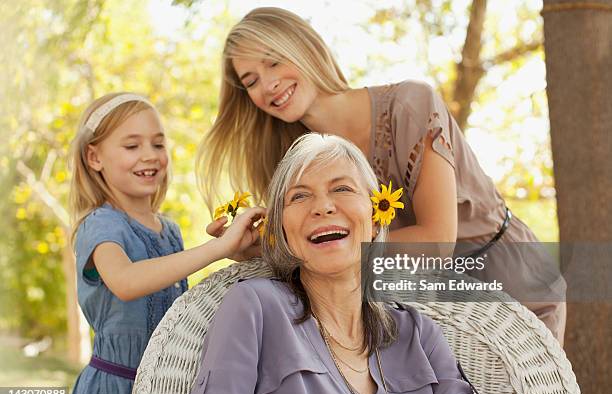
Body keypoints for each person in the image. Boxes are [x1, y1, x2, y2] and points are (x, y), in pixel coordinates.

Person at [197, 7, 566, 343]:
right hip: (421, 309)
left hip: (509, 286)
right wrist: (259, 249)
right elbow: (317, 264)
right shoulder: (299, 161)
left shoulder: (410, 105)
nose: (268, 84)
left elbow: (436, 243)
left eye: (274, 62)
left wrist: (323, 247)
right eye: (251, 80)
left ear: (305, 48)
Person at [187, 133, 481, 394]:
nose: (323, 207)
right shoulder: (255, 307)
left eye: (342, 188)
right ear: (281, 228)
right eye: (300, 196)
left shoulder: (418, 333)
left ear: (376, 216)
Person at [67, 92, 264, 394]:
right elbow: (126, 281)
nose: (150, 155)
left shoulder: (169, 230)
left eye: (158, 144)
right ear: (95, 158)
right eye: (132, 146)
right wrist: (215, 248)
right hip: (116, 390)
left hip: (168, 386)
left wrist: (239, 250)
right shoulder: (100, 224)